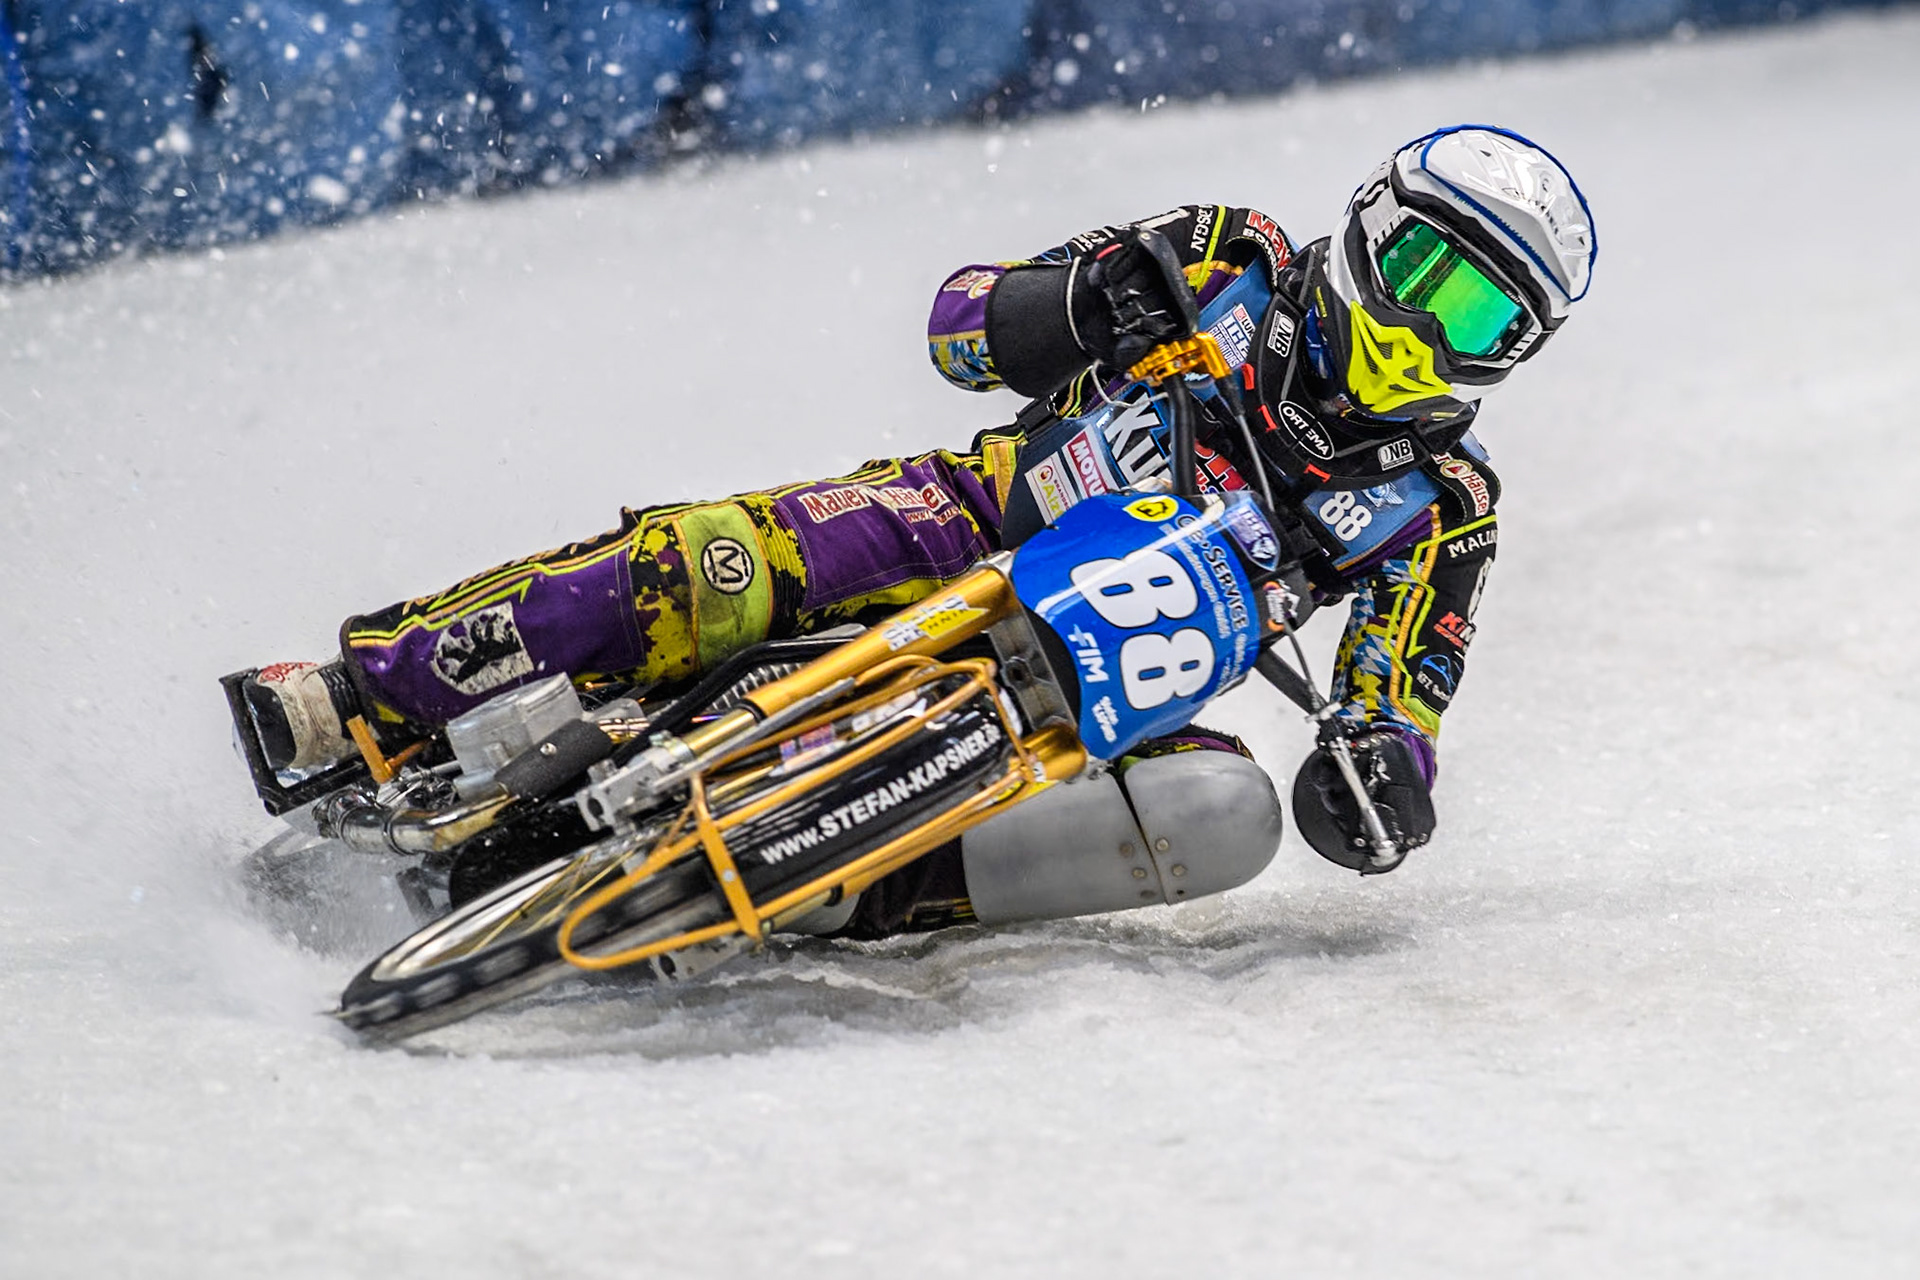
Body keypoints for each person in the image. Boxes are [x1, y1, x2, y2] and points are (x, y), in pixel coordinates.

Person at [243, 124, 1595, 936]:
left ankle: (825, 899)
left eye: (1482, 323)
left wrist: (1381, 781)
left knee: (1217, 812)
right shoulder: (1228, 254)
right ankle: (365, 693)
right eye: (1428, 279)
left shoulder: (1444, 508)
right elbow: (960, 323)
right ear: (1372, 231)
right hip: (971, 513)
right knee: (707, 564)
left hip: (1104, 684)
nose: (1429, 334)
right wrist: (1064, 303)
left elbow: (1403, 699)